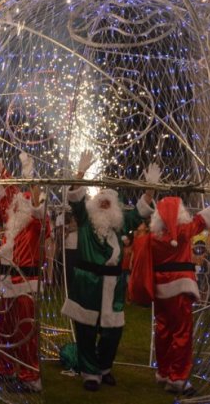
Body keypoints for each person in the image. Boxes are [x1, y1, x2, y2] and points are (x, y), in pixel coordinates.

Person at [61, 150, 157, 391]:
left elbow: (138, 213)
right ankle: (90, 372)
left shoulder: (120, 223)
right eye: (100, 200)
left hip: (113, 287)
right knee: (86, 330)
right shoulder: (85, 218)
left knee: (113, 331)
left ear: (114, 208)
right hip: (87, 283)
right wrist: (80, 173)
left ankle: (104, 368)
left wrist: (150, 190)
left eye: (108, 202)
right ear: (94, 203)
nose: (104, 204)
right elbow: (74, 198)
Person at [131, 195, 210, 396]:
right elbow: (202, 219)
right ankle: (177, 378)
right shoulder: (182, 232)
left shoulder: (153, 238)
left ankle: (164, 372)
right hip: (180, 289)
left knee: (163, 332)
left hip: (161, 291)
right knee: (182, 333)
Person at [0, 153, 48, 393]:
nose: (16, 205)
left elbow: (39, 209)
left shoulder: (35, 222)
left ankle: (29, 376)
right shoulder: (10, 223)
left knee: (26, 331)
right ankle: (4, 368)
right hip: (7, 280)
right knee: (4, 328)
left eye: (22, 202)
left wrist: (32, 182)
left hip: (26, 281)